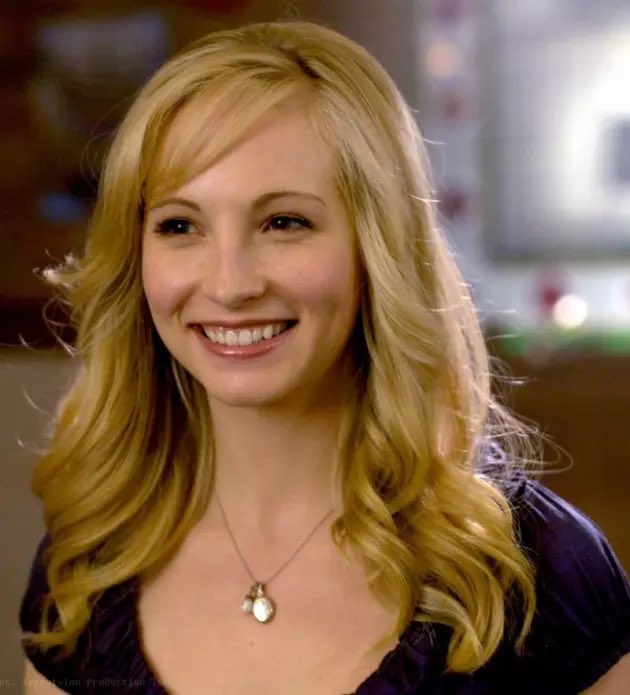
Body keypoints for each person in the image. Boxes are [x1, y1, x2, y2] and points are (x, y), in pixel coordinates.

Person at [18, 20, 630, 695]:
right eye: (179, 225)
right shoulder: (84, 571)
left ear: (377, 248)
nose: (230, 284)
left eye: (284, 222)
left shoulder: (539, 572)